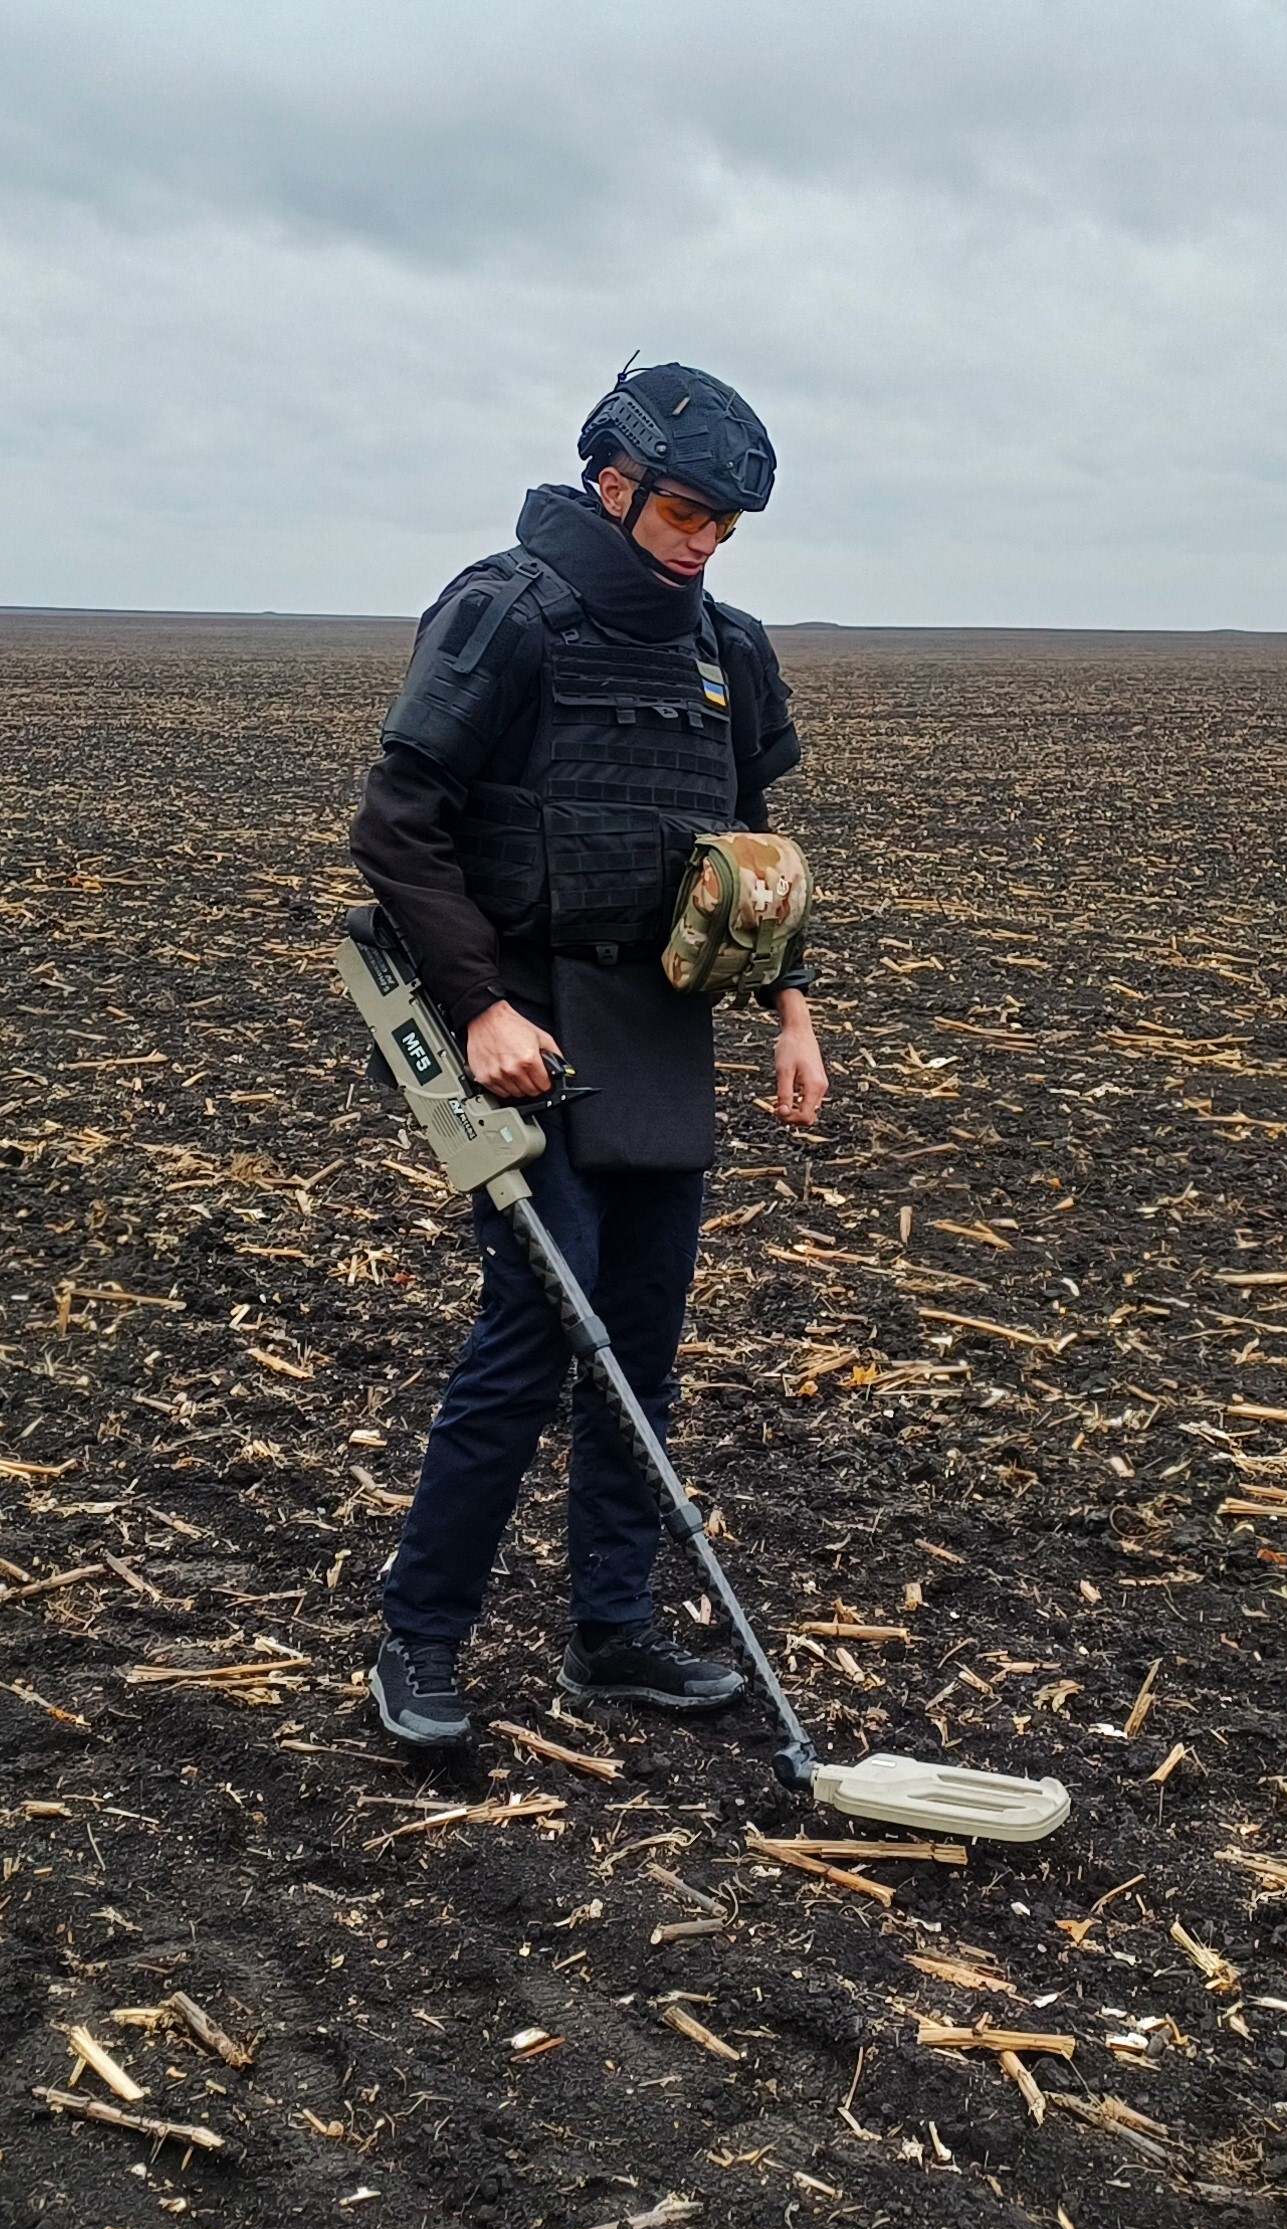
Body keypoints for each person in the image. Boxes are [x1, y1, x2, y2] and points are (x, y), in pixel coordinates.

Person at [347, 363, 831, 1748]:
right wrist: (481, 1009)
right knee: (537, 1336)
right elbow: (398, 828)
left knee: (646, 1349)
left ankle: (611, 1633)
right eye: (686, 513)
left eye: (726, 528)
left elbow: (753, 858)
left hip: (659, 1033)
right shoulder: (506, 612)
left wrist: (791, 1008)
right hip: (524, 1021)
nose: (703, 543)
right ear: (612, 484)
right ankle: (421, 1637)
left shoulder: (726, 651)